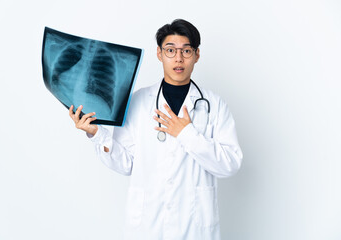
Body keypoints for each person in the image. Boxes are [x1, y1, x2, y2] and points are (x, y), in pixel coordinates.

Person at [69, 19, 243, 240]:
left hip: (195, 227)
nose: (178, 58)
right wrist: (96, 134)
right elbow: (126, 163)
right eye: (170, 50)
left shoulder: (214, 105)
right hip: (148, 227)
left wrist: (187, 133)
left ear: (197, 55)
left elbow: (230, 164)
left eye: (186, 51)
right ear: (159, 54)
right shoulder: (139, 101)